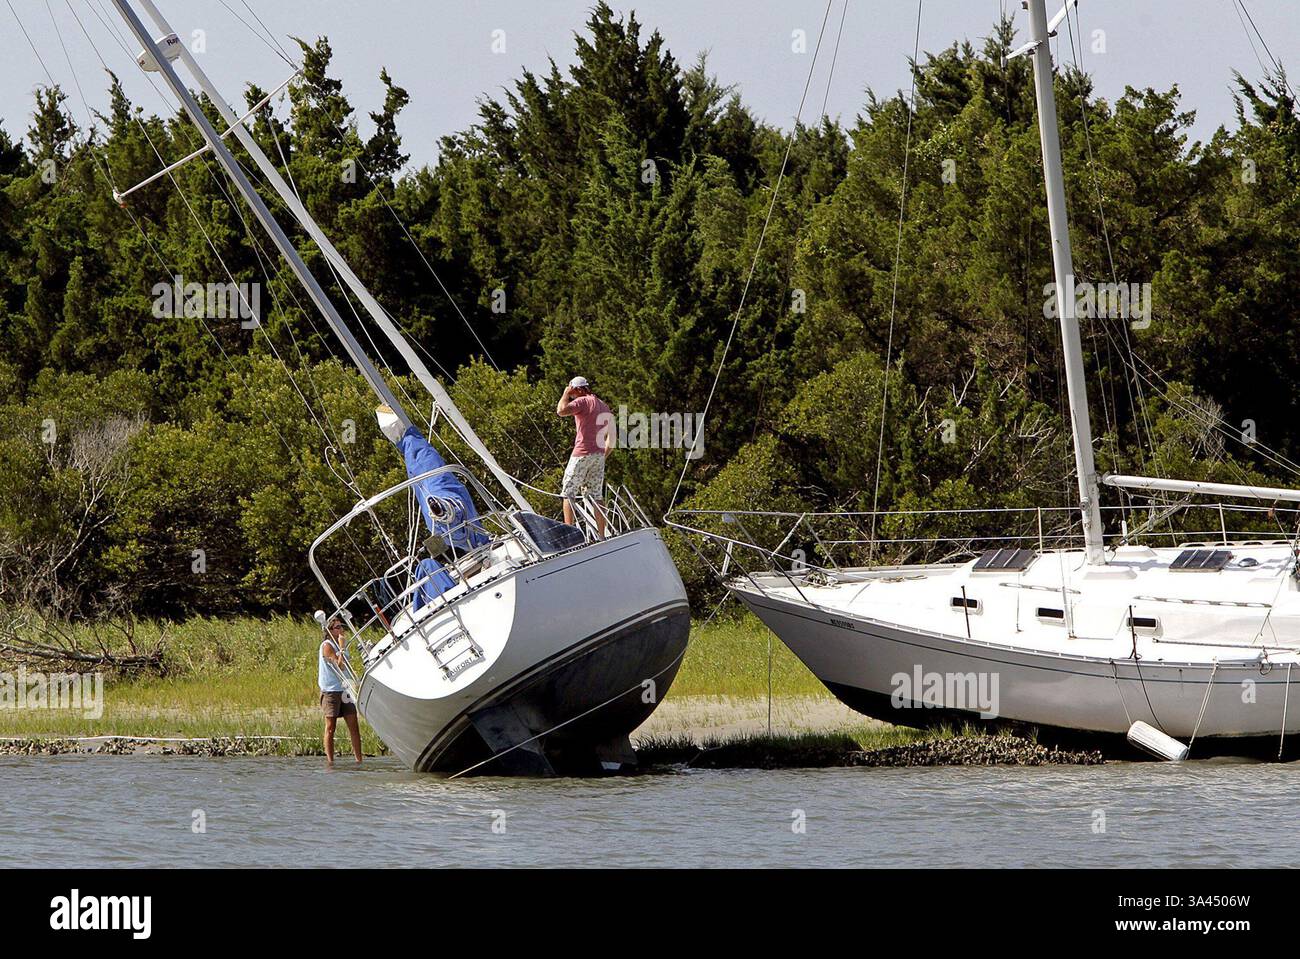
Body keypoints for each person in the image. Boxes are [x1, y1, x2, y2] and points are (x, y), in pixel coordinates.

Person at [556, 376, 613, 538]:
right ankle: (602, 536)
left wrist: (565, 394)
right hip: (598, 455)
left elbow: (561, 411)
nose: (571, 393)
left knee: (568, 493)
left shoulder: (581, 402)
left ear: (579, 390)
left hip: (582, 452)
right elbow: (613, 438)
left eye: (572, 390)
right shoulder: (604, 406)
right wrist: (602, 455)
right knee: (596, 496)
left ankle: (570, 535)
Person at [319, 617, 363, 766]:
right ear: (330, 631)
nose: (341, 630)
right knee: (331, 727)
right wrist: (342, 648)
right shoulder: (327, 645)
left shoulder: (339, 645)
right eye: (337, 627)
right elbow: (340, 666)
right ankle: (330, 762)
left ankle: (359, 760)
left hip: (345, 688)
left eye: (341, 627)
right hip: (331, 691)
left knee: (354, 725)